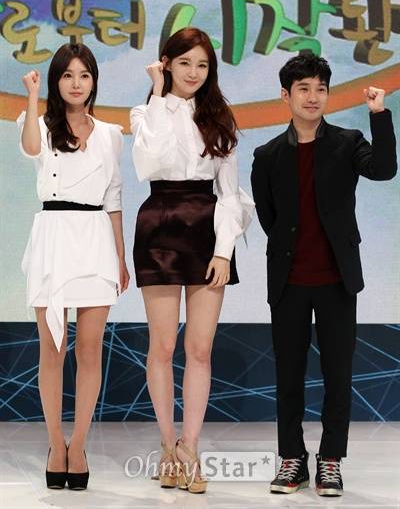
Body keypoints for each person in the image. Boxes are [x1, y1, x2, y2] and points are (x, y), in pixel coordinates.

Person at [251, 54, 397, 497]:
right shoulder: (268, 155)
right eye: (304, 89)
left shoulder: (348, 142)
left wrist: (379, 114)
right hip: (289, 280)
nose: (313, 97)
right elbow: (269, 217)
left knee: (338, 374)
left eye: (320, 89)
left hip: (337, 279)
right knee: (288, 376)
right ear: (286, 95)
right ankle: (292, 458)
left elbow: (384, 169)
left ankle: (330, 460)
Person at [130, 27, 254, 493]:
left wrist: (224, 250)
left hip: (207, 227)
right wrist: (159, 95)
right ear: (166, 64)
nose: (194, 72)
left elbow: (230, 193)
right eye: (184, 63)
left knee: (199, 349)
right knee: (162, 347)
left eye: (202, 65)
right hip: (159, 223)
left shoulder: (219, 117)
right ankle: (167, 447)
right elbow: (148, 163)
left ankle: (190, 448)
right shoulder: (146, 111)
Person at [18, 43, 130, 490]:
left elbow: (114, 197)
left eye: (84, 75)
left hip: (95, 240)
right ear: (56, 81)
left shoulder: (110, 134)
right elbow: (30, 149)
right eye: (67, 75)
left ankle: (79, 445)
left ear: (94, 81)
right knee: (52, 349)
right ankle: (55, 444)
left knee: (89, 349)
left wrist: (120, 257)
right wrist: (31, 98)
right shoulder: (40, 125)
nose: (76, 83)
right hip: (53, 239)